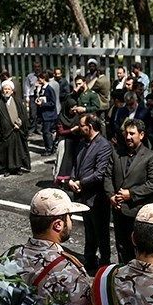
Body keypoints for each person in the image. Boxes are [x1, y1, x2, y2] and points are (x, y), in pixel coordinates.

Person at [12, 188, 92, 305]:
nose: (72, 222)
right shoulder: (69, 271)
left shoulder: (13, 256)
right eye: (69, 216)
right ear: (58, 225)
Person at [104, 119, 153, 263]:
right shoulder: (116, 154)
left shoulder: (152, 156)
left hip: (137, 211)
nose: (128, 137)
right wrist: (111, 196)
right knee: (121, 246)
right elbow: (108, 176)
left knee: (137, 248)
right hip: (118, 210)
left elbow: (152, 183)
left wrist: (131, 194)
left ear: (141, 135)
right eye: (126, 133)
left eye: (132, 133)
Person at [69, 113, 113, 273]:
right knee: (89, 230)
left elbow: (99, 173)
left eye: (82, 125)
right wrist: (72, 179)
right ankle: (89, 260)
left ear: (91, 126)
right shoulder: (82, 143)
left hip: (97, 197)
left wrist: (81, 183)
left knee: (101, 233)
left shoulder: (104, 145)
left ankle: (104, 264)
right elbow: (77, 163)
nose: (79, 128)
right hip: (84, 196)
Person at [0, 79, 30, 176]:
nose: (7, 91)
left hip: (17, 131)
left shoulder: (18, 102)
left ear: (12, 91)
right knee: (6, 152)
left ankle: (18, 168)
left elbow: (23, 115)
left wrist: (19, 123)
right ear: (2, 91)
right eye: (5, 89)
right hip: (5, 132)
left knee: (18, 150)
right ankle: (7, 169)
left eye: (9, 89)